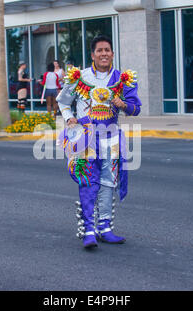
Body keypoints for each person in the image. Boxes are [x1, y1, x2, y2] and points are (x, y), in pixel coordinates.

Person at [57, 35, 141, 248]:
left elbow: (135, 109)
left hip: (111, 138)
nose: (104, 53)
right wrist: (69, 119)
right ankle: (88, 230)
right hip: (86, 139)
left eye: (107, 50)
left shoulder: (123, 79)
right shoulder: (79, 77)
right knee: (88, 182)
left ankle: (105, 227)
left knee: (107, 184)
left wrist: (121, 103)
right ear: (92, 55)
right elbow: (63, 102)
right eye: (100, 50)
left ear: (112, 53)